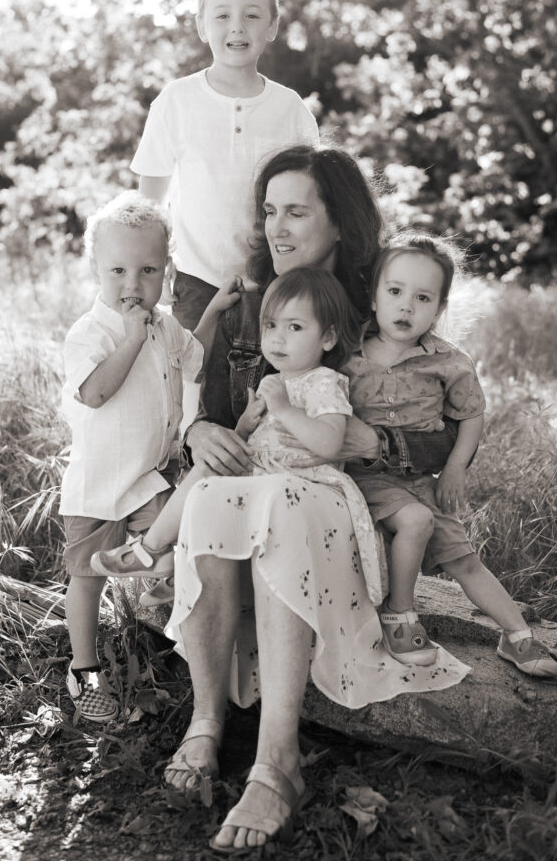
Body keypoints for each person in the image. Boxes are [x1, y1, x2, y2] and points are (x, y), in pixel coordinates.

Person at [162, 145, 470, 854]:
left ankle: (278, 763)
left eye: (296, 210)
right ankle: (207, 720)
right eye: (270, 210)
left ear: (341, 221)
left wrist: (375, 445)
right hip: (257, 486)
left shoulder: (386, 303)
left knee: (285, 505)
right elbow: (200, 410)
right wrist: (201, 431)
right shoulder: (254, 305)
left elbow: (441, 435)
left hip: (341, 504)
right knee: (211, 499)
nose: (277, 225)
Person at [91, 267, 387, 608]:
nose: (277, 338)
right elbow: (261, 436)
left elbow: (331, 444)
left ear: (328, 338)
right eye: (271, 325)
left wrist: (286, 410)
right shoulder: (275, 382)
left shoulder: (325, 382)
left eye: (295, 327)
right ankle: (162, 553)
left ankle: (157, 554)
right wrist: (246, 425)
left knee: (210, 484)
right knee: (204, 473)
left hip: (305, 480)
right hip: (266, 471)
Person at [59, 191, 240, 723]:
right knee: (87, 577)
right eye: (117, 270)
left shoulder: (163, 324)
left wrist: (211, 311)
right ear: (95, 268)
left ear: (166, 271)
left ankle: (167, 614)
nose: (132, 285)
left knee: (177, 542)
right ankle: (84, 669)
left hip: (148, 477)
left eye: (148, 270)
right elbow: (94, 393)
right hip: (97, 484)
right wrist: (132, 339)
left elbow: (193, 357)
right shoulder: (89, 333)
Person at [347, 233, 557, 677]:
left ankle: (517, 636)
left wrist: (455, 469)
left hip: (421, 483)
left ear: (440, 308)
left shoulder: (448, 361)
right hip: (366, 479)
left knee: (464, 557)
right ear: (373, 297)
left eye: (422, 297)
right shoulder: (347, 354)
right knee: (416, 522)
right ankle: (400, 616)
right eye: (395, 292)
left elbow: (471, 416)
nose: (406, 307)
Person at [130, 0, 319, 332]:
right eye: (222, 16)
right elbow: (151, 196)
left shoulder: (290, 108)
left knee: (265, 383)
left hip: (273, 278)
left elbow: (313, 197)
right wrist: (153, 261)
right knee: (193, 379)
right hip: (196, 276)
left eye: (251, 15)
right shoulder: (177, 100)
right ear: (202, 25)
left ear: (272, 26)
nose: (237, 27)